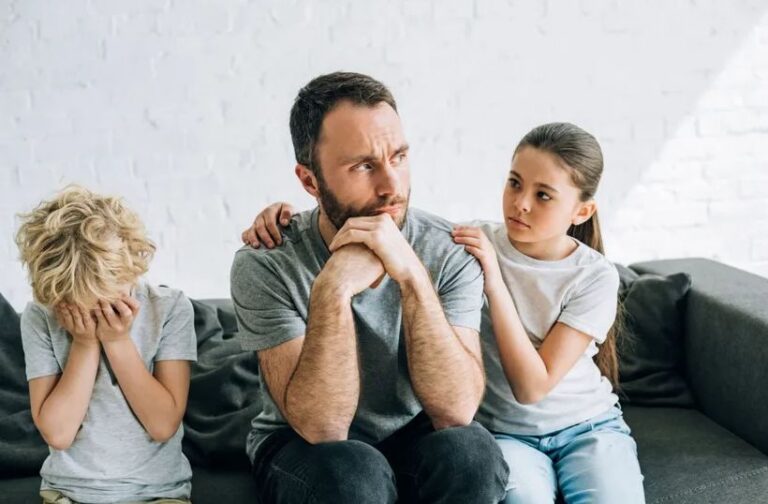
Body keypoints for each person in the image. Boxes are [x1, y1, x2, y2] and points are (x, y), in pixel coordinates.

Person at [243, 122, 646, 503]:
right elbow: (398, 223)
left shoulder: (593, 275)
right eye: (514, 183)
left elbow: (530, 388)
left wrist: (492, 281)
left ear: (582, 212)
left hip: (585, 425)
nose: (521, 204)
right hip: (509, 434)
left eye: (543, 195)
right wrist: (287, 216)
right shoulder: (469, 240)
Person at [231, 71, 509, 503]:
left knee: (472, 453)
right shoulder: (267, 262)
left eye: (398, 157)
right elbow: (322, 426)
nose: (391, 186)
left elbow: (456, 410)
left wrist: (413, 277)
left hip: (414, 434)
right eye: (363, 166)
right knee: (352, 472)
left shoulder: (449, 250)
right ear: (310, 182)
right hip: (305, 446)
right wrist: (332, 290)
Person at [16, 185, 197, 504]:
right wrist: (84, 344)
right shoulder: (41, 316)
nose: (97, 312)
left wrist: (117, 340)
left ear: (133, 262)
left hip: (158, 494)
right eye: (83, 304)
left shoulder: (170, 308)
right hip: (68, 494)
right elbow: (58, 434)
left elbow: (162, 425)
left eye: (108, 300)